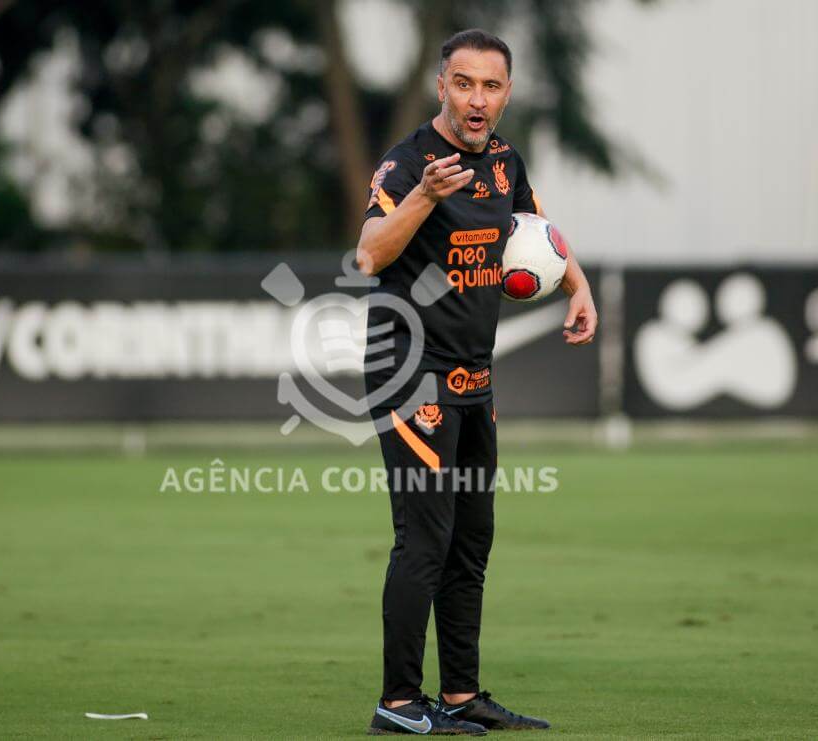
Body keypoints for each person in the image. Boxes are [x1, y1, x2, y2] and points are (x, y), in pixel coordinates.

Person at [357, 29, 597, 736]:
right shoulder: (409, 164)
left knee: (471, 540)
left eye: (491, 86)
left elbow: (538, 228)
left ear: (507, 93)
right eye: (464, 83)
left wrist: (578, 286)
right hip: (410, 376)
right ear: (442, 86)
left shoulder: (504, 160)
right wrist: (425, 198)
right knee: (424, 540)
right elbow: (369, 255)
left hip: (473, 379)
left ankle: (460, 696)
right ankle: (398, 703)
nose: (477, 98)